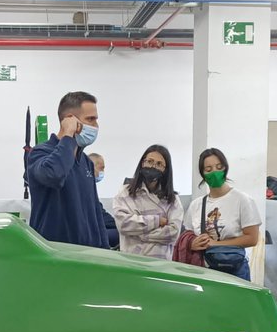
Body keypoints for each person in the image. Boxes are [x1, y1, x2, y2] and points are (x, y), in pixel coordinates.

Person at [25, 92, 109, 248]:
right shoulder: (40, 153)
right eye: (90, 119)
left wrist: (105, 252)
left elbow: (95, 214)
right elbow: (54, 175)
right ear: (70, 120)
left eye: (96, 120)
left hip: (87, 256)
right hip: (56, 256)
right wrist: (68, 135)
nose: (95, 126)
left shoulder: (86, 162)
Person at [184, 148, 261, 281]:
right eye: (208, 169)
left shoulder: (242, 200)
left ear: (225, 168)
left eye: (218, 167)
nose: (214, 172)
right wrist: (192, 243)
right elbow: (188, 236)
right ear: (202, 174)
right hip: (204, 270)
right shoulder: (197, 205)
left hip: (234, 270)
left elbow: (252, 238)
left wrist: (215, 243)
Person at [111, 144, 183, 259]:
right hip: (131, 261)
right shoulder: (125, 192)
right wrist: (157, 221)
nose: (153, 166)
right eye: (149, 161)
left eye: (159, 164)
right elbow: (123, 224)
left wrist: (139, 233)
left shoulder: (172, 199)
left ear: (166, 170)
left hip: (161, 264)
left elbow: (173, 233)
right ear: (142, 163)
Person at [88, 152, 120, 249]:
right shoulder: (87, 189)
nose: (103, 172)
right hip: (91, 235)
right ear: (91, 166)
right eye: (101, 168)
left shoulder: (88, 188)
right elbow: (101, 216)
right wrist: (120, 225)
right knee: (121, 235)